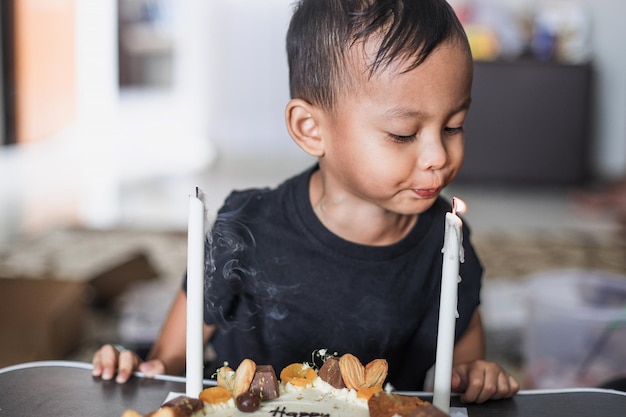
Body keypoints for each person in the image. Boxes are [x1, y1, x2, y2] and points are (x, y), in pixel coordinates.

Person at [93, 0, 519, 403]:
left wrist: (478, 375)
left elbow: (462, 365)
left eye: (454, 126)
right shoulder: (245, 227)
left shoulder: (444, 238)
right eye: (404, 134)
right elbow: (168, 362)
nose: (439, 157)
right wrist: (136, 366)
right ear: (311, 128)